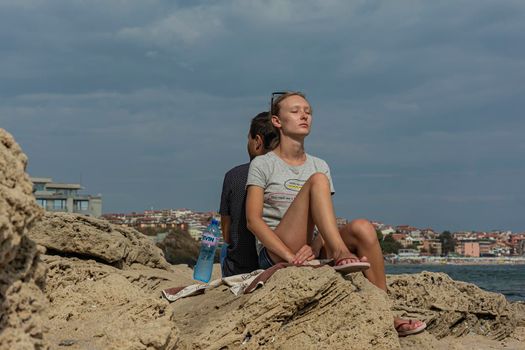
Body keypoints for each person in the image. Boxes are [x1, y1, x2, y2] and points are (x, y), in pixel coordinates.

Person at [245, 91, 426, 337]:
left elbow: (323, 217)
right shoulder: (263, 164)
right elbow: (253, 221)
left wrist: (315, 246)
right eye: (295, 111)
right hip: (276, 251)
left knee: (362, 227)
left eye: (308, 112)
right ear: (277, 121)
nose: (304, 116)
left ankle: (386, 312)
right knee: (317, 181)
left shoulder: (320, 164)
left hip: (310, 246)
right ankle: (341, 253)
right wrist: (290, 256)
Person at [219, 112, 278, 277]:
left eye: (249, 138)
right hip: (276, 261)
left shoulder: (234, 176)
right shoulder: (287, 174)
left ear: (257, 142)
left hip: (240, 269)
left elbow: (227, 234)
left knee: (225, 249)